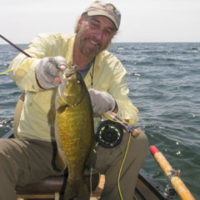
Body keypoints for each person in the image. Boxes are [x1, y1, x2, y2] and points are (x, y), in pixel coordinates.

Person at [0, 1, 148, 199]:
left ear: (111, 38)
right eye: (94, 25)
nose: (98, 36)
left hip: (84, 149)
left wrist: (111, 103)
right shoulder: (51, 42)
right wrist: (38, 71)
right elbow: (17, 67)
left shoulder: (112, 67)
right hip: (35, 148)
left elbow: (130, 114)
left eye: (107, 31)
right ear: (80, 22)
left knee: (137, 141)